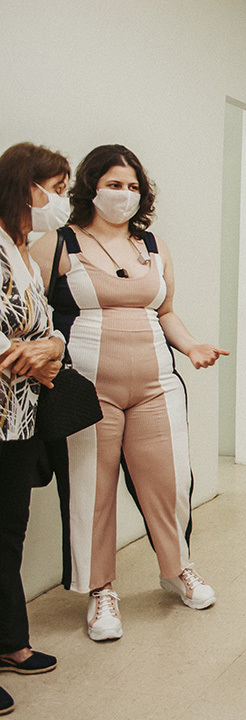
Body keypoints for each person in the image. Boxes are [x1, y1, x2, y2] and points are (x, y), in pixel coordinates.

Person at [32, 145, 228, 642]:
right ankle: (101, 591)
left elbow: (165, 312)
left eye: (133, 186)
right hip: (87, 388)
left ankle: (177, 567)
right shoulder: (57, 244)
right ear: (91, 187)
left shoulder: (154, 246)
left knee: (167, 481)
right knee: (90, 490)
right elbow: (29, 315)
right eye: (114, 184)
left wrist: (192, 346)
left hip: (156, 383)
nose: (124, 194)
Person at [0, 142, 70, 714]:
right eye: (58, 188)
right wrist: (25, 353)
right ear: (29, 187)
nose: (61, 201)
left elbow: (48, 326)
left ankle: (8, 642)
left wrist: (51, 347)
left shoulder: (25, 250)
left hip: (20, 414)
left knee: (8, 531)